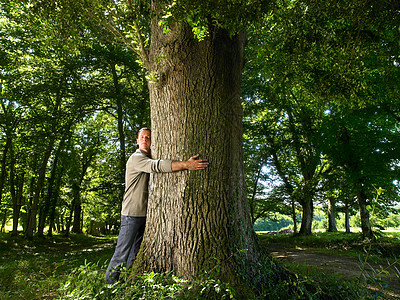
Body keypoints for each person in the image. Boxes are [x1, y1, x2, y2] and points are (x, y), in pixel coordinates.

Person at [105, 127, 209, 284]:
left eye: (148, 137)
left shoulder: (145, 157)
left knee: (136, 253)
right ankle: (109, 286)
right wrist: (186, 165)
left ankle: (130, 282)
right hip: (131, 214)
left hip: (144, 215)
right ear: (137, 140)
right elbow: (156, 166)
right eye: (142, 137)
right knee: (122, 252)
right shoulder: (136, 158)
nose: (145, 139)